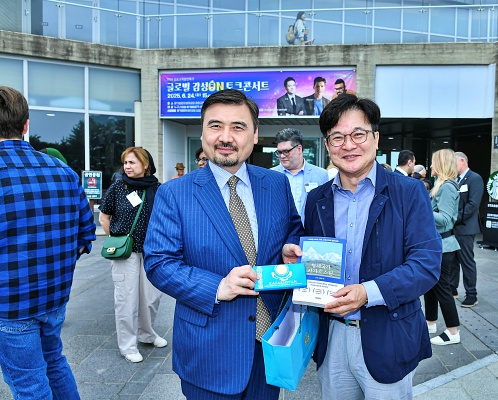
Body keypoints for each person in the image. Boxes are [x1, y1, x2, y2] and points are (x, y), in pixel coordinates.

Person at [143, 89, 303, 399]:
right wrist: (217, 286)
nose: (225, 137)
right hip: (208, 352)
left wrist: (288, 246)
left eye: (238, 127)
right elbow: (159, 263)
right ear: (203, 132)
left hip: (269, 347)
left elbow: (293, 229)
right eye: (215, 126)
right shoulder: (174, 193)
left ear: (254, 135)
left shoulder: (276, 183)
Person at [283, 94, 441, 399]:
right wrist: (292, 249)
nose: (349, 145)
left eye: (358, 134)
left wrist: (367, 292)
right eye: (338, 137)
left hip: (388, 336)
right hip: (332, 336)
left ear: (375, 138)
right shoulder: (317, 199)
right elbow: (308, 246)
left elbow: (426, 264)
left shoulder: (408, 192)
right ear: (328, 146)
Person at [0, 86, 96, 399]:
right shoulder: (62, 171)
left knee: (30, 385)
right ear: (26, 125)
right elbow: (86, 235)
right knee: (54, 362)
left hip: (8, 305)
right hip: (54, 298)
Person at [99, 147, 167, 363]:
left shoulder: (158, 188)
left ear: (145, 165)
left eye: (132, 163)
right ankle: (128, 346)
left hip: (152, 252)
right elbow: (103, 217)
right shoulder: (118, 187)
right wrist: (116, 240)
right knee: (126, 299)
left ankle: (147, 334)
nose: (127, 167)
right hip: (126, 252)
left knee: (151, 298)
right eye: (125, 163)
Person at [425, 149, 461, 346]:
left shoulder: (447, 187)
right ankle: (430, 323)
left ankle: (453, 332)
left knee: (442, 288)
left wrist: (422, 208)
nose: (430, 166)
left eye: (433, 162)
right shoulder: (442, 185)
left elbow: (446, 219)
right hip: (438, 245)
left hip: (443, 246)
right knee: (430, 286)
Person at [271, 128, 328, 223]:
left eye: (286, 151)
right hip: (280, 230)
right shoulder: (271, 175)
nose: (282, 156)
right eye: (279, 152)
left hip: (310, 230)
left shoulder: (321, 175)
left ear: (299, 149)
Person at [451, 151, 484, 307]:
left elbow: (473, 205)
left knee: (466, 261)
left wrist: (454, 218)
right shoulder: (455, 180)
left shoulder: (474, 178)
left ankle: (471, 294)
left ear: (463, 161)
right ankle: (452, 289)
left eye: (454, 162)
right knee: (453, 260)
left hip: (465, 228)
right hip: (454, 227)